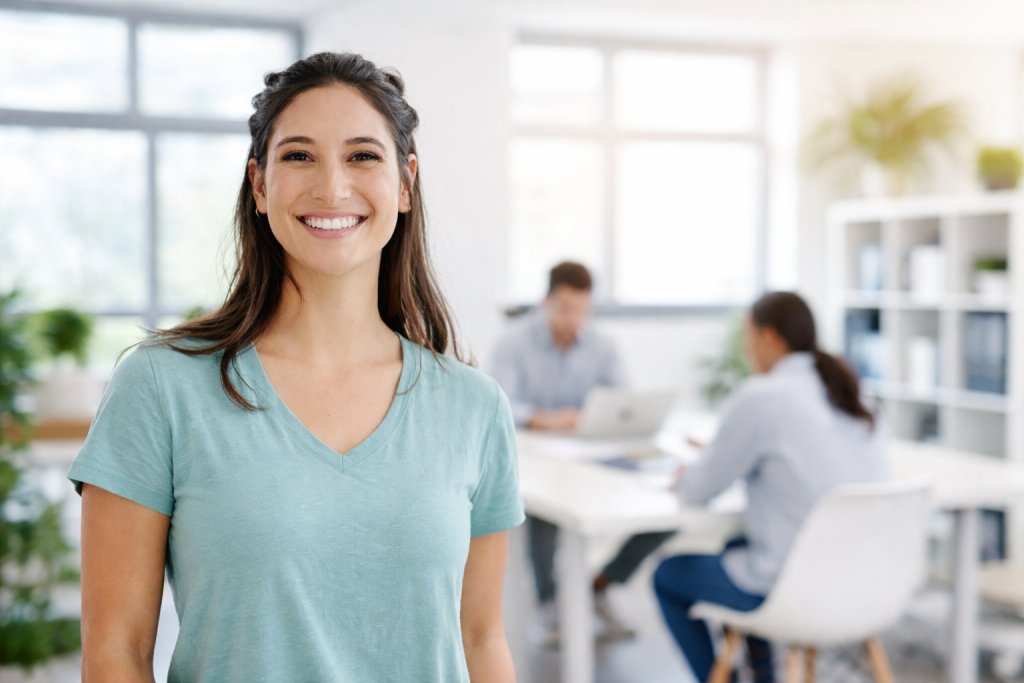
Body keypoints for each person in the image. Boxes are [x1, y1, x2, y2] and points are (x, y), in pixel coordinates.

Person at [68, 52, 524, 683]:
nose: (332, 188)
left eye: (363, 155)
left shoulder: (475, 405)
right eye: (299, 156)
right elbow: (115, 649)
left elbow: (480, 636)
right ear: (259, 185)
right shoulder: (161, 386)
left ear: (405, 184)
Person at [654, 291, 887, 683]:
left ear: (769, 338)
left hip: (795, 590)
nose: (745, 351)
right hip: (867, 585)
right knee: (735, 549)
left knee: (667, 576)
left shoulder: (760, 398)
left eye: (748, 337)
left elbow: (697, 491)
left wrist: (696, 467)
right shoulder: (855, 394)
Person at [491, 261, 673, 643]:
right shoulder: (513, 341)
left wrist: (602, 418)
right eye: (566, 309)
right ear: (546, 302)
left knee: (663, 513)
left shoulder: (603, 346)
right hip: (536, 458)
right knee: (542, 514)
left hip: (590, 455)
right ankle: (550, 603)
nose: (575, 319)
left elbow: (624, 401)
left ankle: (599, 587)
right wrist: (545, 419)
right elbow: (498, 403)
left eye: (583, 310)